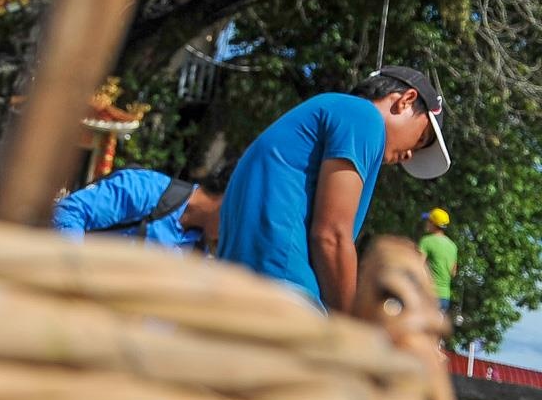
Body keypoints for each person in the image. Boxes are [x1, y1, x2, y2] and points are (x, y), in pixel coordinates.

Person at [217, 66, 452, 313]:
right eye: (421, 138)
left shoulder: (328, 110)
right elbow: (331, 236)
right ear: (406, 100)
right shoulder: (364, 117)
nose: (409, 155)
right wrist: (353, 325)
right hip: (283, 294)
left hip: (235, 291)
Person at [51, 164, 232, 251]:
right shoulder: (147, 189)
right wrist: (74, 270)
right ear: (231, 199)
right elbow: (69, 211)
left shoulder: (200, 249)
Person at [419, 207, 459, 314]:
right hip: (444, 298)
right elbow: (453, 272)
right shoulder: (453, 246)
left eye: (428, 221)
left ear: (433, 223)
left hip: (428, 294)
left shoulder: (426, 241)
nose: (426, 223)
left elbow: (417, 266)